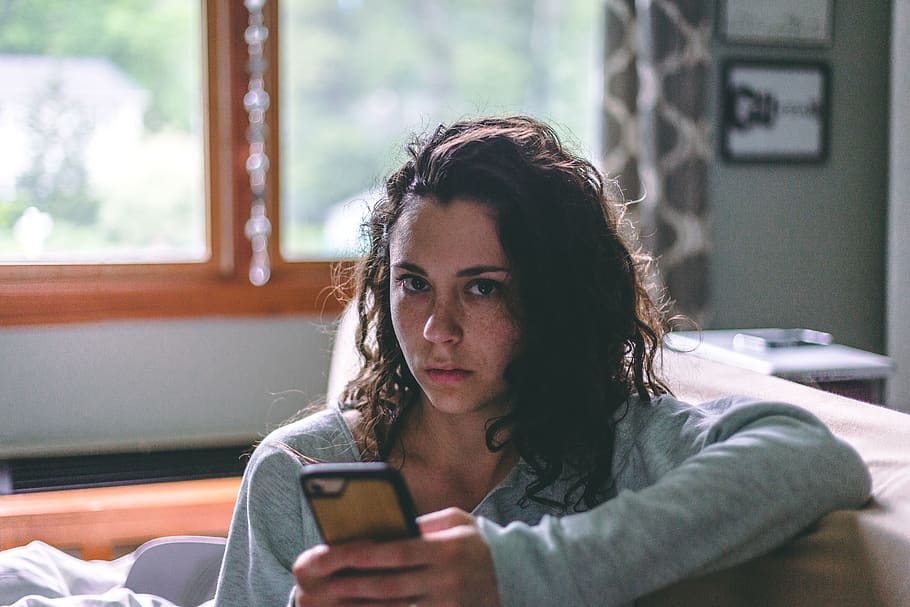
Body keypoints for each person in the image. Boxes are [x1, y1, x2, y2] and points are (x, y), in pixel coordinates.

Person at [213, 116, 871, 607]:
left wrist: (514, 567)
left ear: (554, 300)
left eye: (483, 287)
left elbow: (815, 457)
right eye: (414, 283)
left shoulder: (623, 444)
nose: (438, 330)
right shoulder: (297, 473)